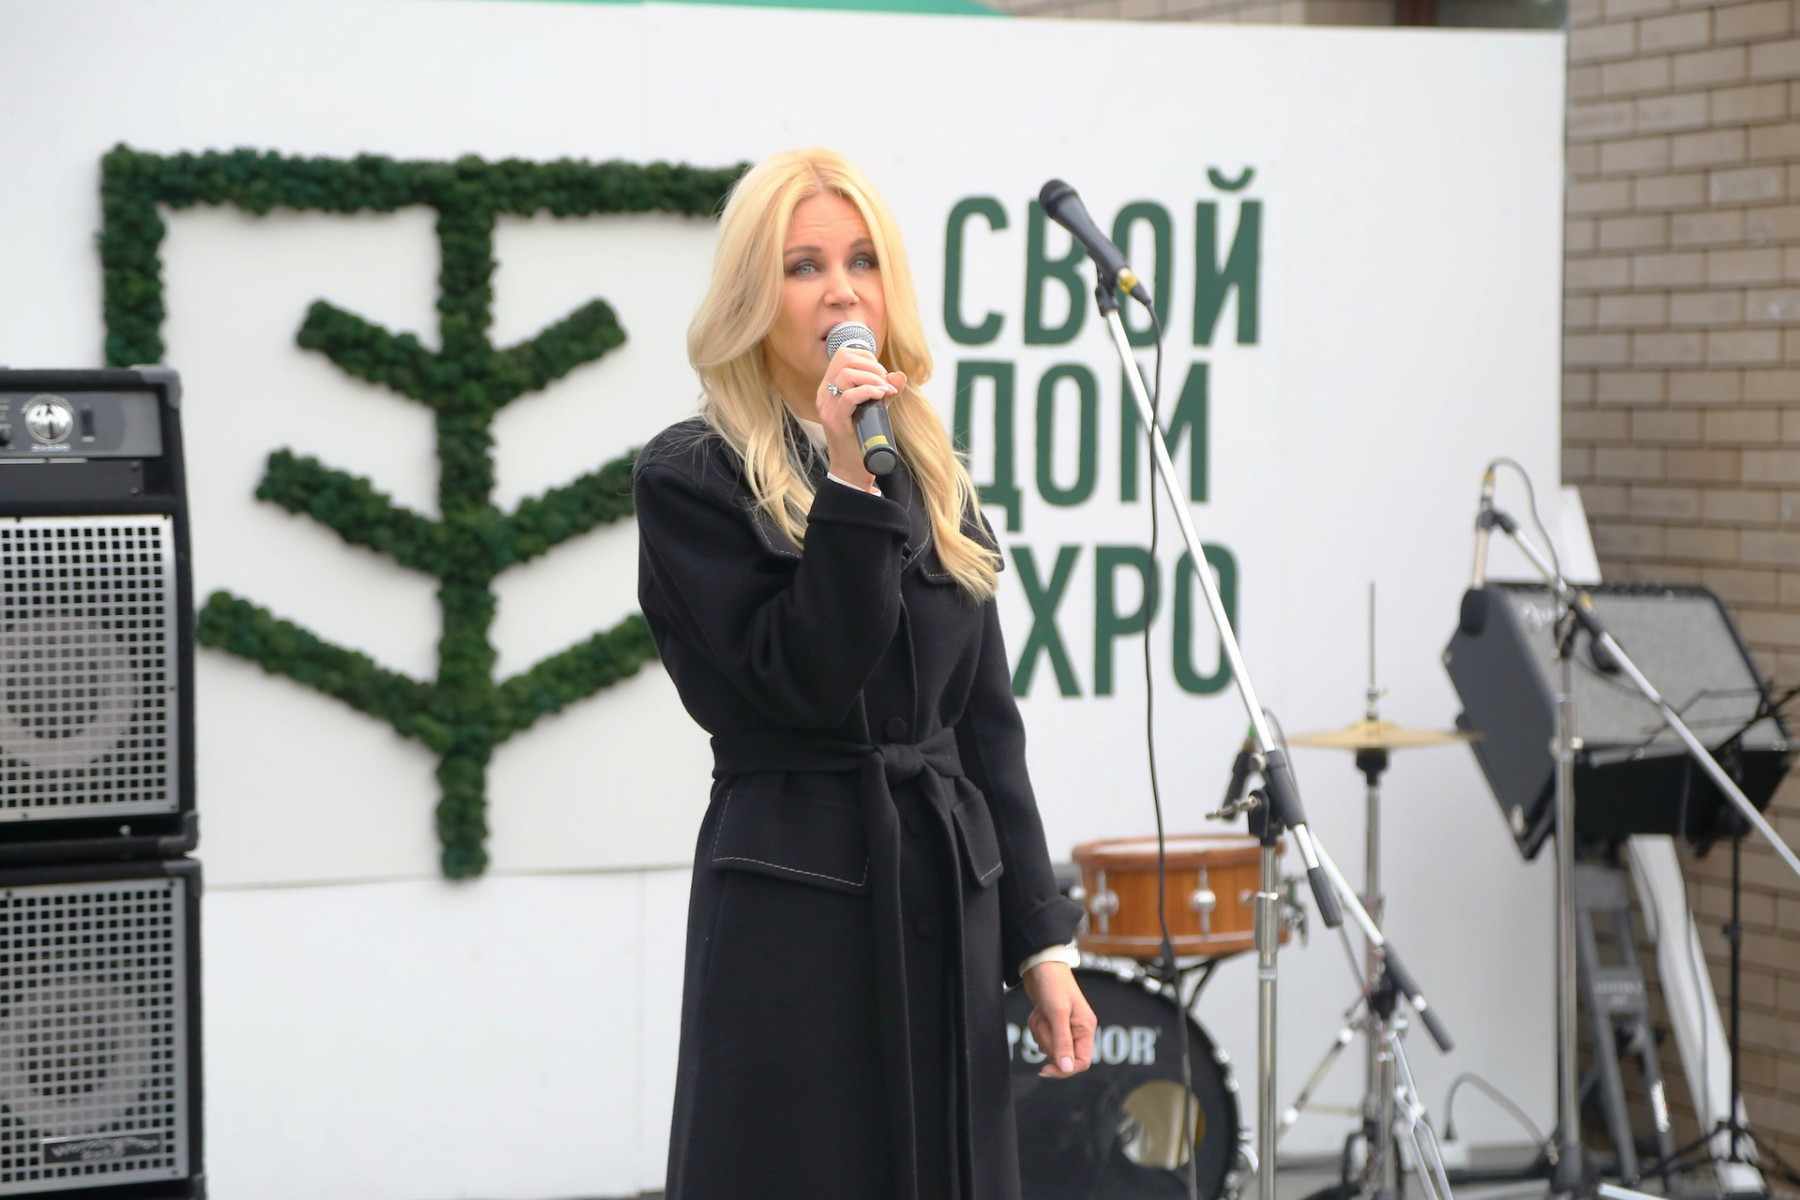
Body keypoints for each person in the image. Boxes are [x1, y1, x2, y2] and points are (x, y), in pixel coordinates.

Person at [634, 147, 1096, 1200]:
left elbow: (985, 729)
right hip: (798, 908)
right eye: (804, 266)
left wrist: (1042, 946)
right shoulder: (691, 475)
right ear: (753, 297)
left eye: (862, 261)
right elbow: (805, 683)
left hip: (944, 890)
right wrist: (848, 485)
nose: (841, 291)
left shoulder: (930, 472)